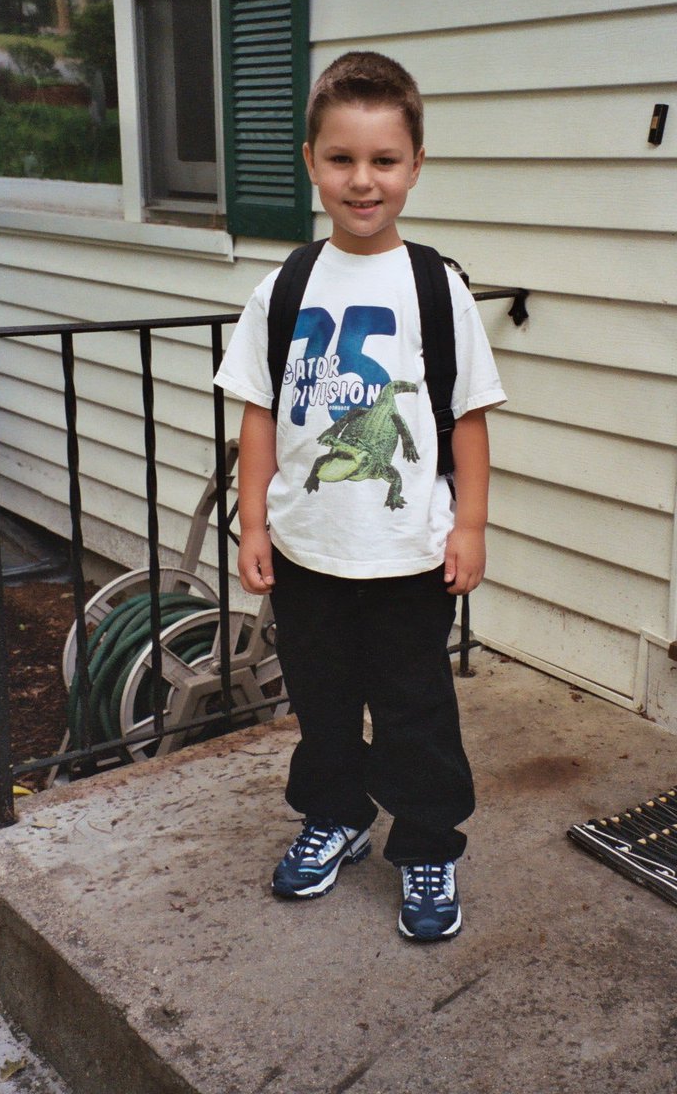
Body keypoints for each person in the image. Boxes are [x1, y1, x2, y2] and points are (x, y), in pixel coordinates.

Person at [214, 51, 505, 941]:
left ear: (415, 166)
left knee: (416, 708)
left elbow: (466, 422)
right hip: (306, 550)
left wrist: (471, 526)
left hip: (408, 553)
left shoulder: (435, 288)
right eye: (342, 159)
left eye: (384, 160)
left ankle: (424, 847)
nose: (362, 180)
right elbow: (260, 414)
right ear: (311, 162)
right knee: (324, 704)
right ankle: (336, 816)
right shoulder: (285, 287)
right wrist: (254, 519)